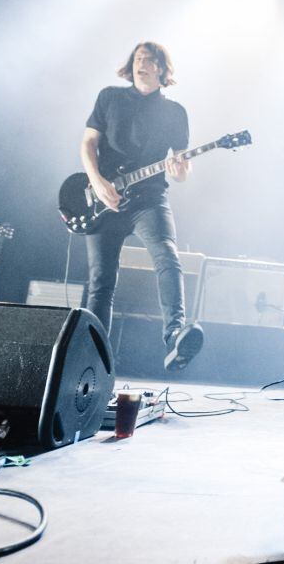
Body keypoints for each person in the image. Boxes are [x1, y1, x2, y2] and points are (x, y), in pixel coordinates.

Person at [81, 42, 204, 371]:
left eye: (149, 60)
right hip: (104, 197)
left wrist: (181, 170)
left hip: (149, 198)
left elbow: (181, 167)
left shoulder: (174, 112)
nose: (142, 64)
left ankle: (175, 335)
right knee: (101, 282)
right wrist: (96, 181)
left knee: (168, 256)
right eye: (137, 59)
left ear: (162, 69)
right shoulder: (109, 97)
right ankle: (92, 362)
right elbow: (88, 143)